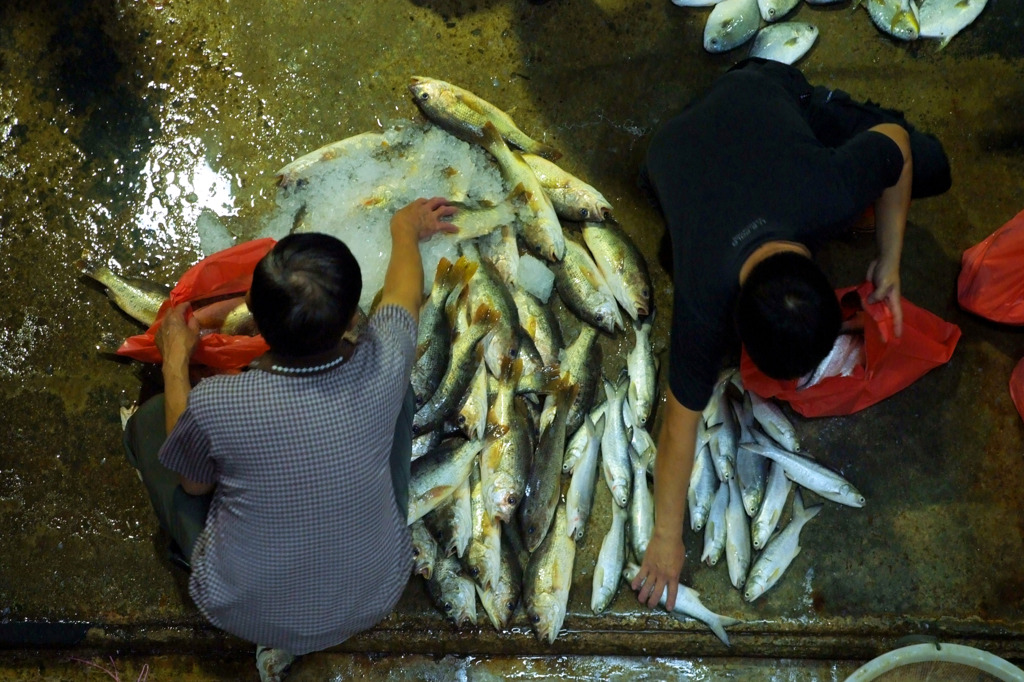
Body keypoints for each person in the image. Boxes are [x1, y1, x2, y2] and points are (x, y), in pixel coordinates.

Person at [629, 58, 951, 612]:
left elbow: (895, 141)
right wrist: (665, 538)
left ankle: (816, 113)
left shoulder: (829, 192)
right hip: (705, 122)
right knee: (921, 166)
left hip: (719, 118)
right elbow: (676, 431)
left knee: (932, 165)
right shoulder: (703, 304)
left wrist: (889, 260)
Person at [122, 198, 457, 681]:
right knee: (397, 396)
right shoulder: (385, 359)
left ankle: (184, 549)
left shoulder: (218, 403)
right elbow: (404, 292)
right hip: (373, 592)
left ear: (253, 315)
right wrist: (405, 229)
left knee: (154, 422)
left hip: (247, 610)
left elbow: (194, 486)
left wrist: (175, 359)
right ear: (350, 322)